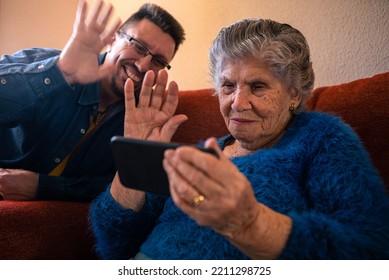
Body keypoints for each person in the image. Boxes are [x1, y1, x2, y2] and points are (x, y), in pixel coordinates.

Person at [89, 18, 389, 259]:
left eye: (258, 86)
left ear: (295, 94)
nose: (237, 102)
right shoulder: (202, 154)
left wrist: (251, 224)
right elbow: (116, 244)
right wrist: (132, 168)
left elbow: (371, 247)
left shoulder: (321, 139)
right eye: (228, 85)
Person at [0, 0, 185, 201]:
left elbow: (121, 188)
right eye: (139, 47)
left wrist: (44, 186)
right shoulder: (46, 64)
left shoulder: (146, 117)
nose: (142, 66)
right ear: (114, 39)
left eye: (158, 61)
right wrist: (61, 72)